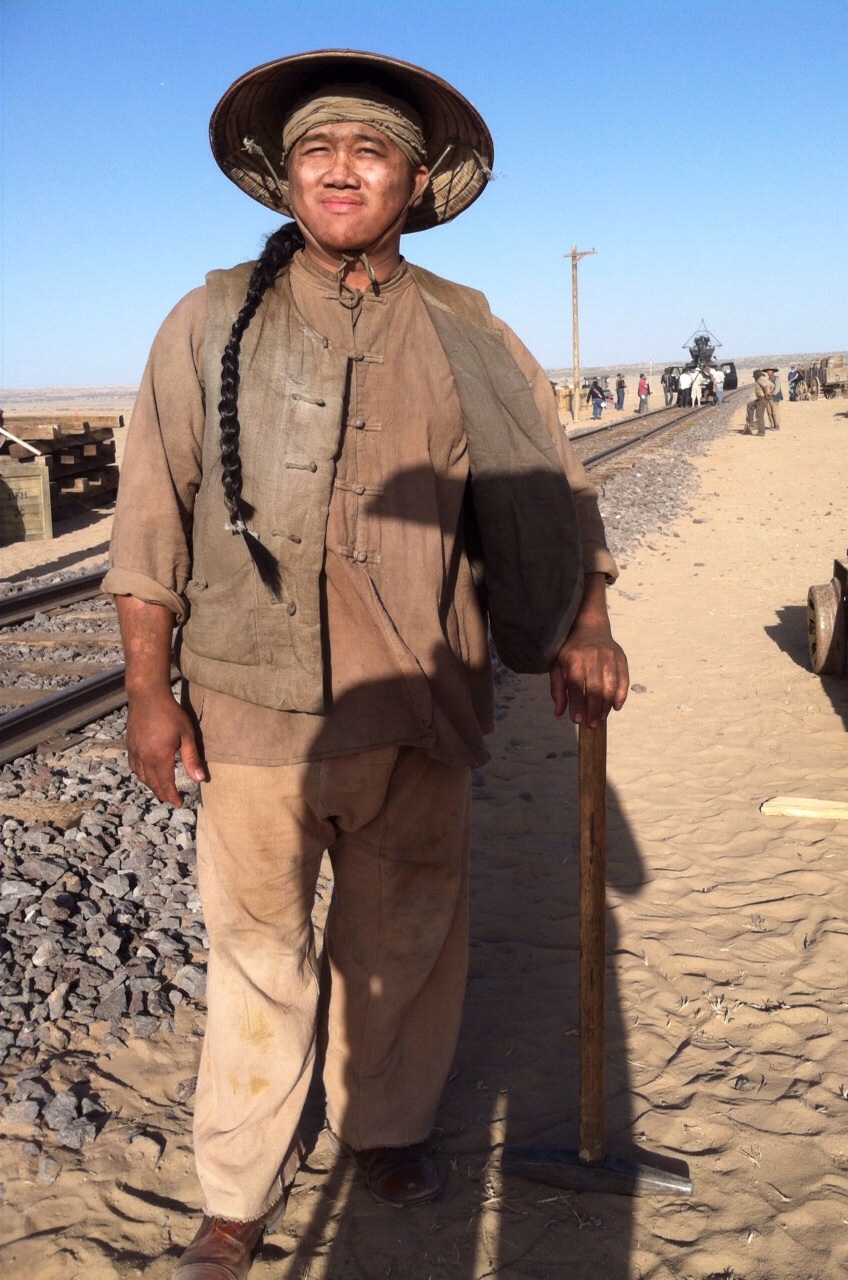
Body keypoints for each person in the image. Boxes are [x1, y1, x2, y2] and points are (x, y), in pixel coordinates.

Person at [103, 48, 629, 1277]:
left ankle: (382, 1126)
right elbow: (148, 515)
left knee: (403, 937)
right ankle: (237, 1184)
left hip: (418, 701)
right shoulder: (206, 319)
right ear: (283, 176)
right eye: (315, 151)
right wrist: (144, 690)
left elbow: (547, 488)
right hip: (246, 704)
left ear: (416, 176)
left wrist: (583, 623)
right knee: (255, 952)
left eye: (369, 149)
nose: (339, 171)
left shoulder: (467, 330)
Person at [744, 368, 776, 434]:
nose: (754, 378)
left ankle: (761, 432)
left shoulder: (760, 379)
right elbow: (773, 385)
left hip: (762, 399)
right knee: (750, 405)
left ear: (756, 375)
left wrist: (767, 393)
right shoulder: (765, 379)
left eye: (754, 376)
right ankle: (751, 422)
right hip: (761, 399)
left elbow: (765, 386)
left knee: (759, 416)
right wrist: (770, 392)